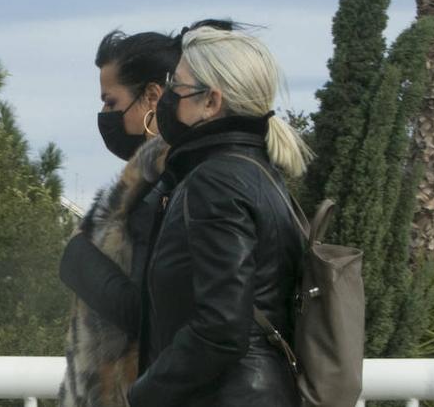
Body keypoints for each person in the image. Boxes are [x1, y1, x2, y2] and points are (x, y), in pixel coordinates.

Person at [128, 23, 311, 407]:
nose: (166, 96)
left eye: (176, 85)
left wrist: (144, 393)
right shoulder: (259, 175)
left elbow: (222, 326)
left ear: (211, 101)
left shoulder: (217, 182)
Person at [58, 29, 180, 407]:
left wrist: (77, 259)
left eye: (111, 103)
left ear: (152, 97)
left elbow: (151, 312)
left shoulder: (164, 189)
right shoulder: (147, 187)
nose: (105, 116)